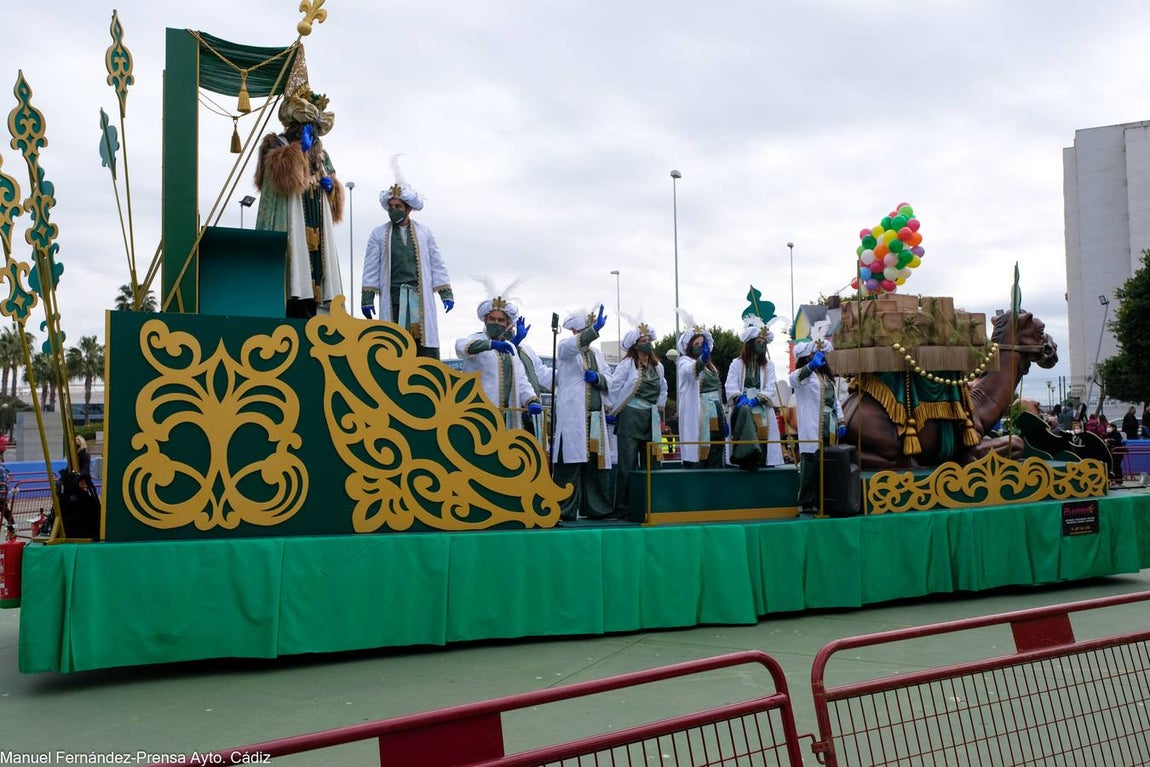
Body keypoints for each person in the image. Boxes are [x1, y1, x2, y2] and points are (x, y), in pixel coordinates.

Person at [254, 48, 344, 318]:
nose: (312, 135)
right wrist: (296, 150)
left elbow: (334, 192)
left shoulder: (321, 154)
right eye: (307, 128)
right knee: (295, 275)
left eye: (314, 130)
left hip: (317, 221)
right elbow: (282, 182)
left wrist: (332, 189)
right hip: (291, 221)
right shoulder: (277, 145)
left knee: (318, 275)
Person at [360, 157, 453, 358]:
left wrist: (445, 293)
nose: (393, 210)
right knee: (393, 343)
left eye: (398, 207)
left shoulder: (424, 233)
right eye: (391, 206)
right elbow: (370, 267)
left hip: (419, 299)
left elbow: (437, 263)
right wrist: (367, 298)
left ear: (408, 208)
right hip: (392, 298)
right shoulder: (378, 234)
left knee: (422, 343)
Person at [551, 305, 615, 521]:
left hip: (595, 417)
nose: (587, 335)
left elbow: (610, 380)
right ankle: (564, 510)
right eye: (584, 331)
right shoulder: (565, 349)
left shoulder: (597, 354)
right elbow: (569, 347)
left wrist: (598, 379)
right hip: (573, 417)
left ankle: (598, 509)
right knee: (569, 463)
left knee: (597, 464)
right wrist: (593, 330)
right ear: (575, 332)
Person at [454, 288, 542, 432]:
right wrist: (490, 345)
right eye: (492, 319)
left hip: (507, 419)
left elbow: (521, 381)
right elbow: (460, 347)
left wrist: (531, 400)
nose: (496, 323)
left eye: (500, 320)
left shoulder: (510, 348)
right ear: (485, 320)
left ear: (507, 324)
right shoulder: (476, 339)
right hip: (478, 415)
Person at [608, 319, 667, 518]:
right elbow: (615, 387)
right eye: (643, 340)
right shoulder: (627, 364)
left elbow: (663, 389)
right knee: (627, 465)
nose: (647, 343)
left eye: (649, 339)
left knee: (652, 464)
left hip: (650, 417)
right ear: (635, 344)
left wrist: (660, 413)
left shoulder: (658, 367)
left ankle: (651, 505)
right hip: (630, 416)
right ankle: (623, 508)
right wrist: (611, 410)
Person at [789, 326, 843, 514]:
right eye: (814, 355)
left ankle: (825, 498)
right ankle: (806, 501)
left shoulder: (825, 377)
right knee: (810, 463)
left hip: (830, 425)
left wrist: (841, 421)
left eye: (819, 355)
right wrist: (810, 367)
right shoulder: (805, 376)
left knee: (828, 463)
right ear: (807, 357)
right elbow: (793, 379)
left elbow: (835, 400)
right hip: (812, 425)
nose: (818, 357)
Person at [726, 316, 784, 470]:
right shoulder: (736, 363)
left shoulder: (769, 365)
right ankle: (747, 455)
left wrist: (758, 399)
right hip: (742, 404)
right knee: (744, 411)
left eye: (764, 343)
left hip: (761, 404)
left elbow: (771, 386)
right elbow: (730, 385)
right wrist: (740, 397)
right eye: (759, 342)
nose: (762, 345)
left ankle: (762, 458)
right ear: (750, 344)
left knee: (765, 432)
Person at [675, 313, 726, 469]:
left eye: (702, 343)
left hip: (715, 411)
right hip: (699, 412)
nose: (700, 346)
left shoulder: (712, 367)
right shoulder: (684, 361)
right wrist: (702, 360)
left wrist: (723, 417)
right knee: (700, 449)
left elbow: (717, 390)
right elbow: (690, 373)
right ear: (689, 346)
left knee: (717, 446)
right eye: (696, 344)